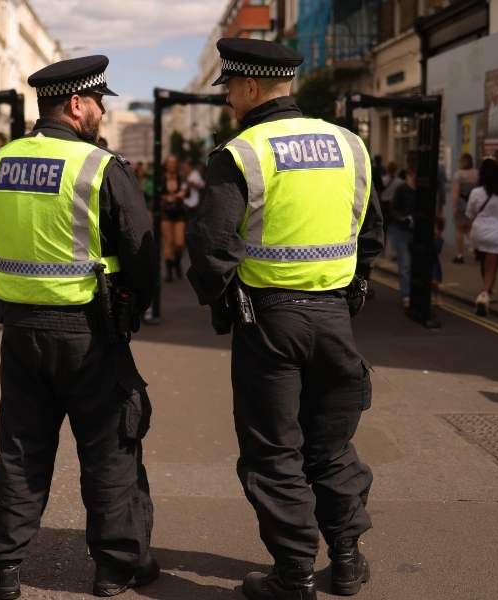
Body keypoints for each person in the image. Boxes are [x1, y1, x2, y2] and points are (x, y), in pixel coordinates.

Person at [186, 38, 382, 600]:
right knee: (332, 446)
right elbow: (370, 235)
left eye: (229, 90)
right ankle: (346, 560)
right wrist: (349, 294)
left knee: (274, 451)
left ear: (250, 88)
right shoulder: (351, 146)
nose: (227, 101)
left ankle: (294, 574)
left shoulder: (242, 152)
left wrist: (224, 307)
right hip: (334, 321)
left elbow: (210, 247)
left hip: (269, 325)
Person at [0, 55, 159, 600]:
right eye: (100, 101)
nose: (102, 112)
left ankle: (2, 564)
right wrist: (129, 312)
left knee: (23, 448)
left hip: (21, 333)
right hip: (92, 335)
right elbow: (141, 260)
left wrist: (20, 295)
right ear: (76, 104)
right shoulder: (100, 168)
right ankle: (117, 567)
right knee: (110, 447)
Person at [467, 156, 498, 316]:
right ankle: (484, 295)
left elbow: (470, 214)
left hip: (479, 233)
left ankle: (488, 290)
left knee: (484, 264)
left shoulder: (475, 192)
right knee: (492, 268)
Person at [389, 161, 416, 308]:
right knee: (405, 265)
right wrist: (401, 218)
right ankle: (406, 296)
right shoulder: (402, 189)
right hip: (402, 231)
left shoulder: (424, 190)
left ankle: (415, 295)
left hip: (417, 232)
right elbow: (393, 209)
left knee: (416, 265)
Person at [160, 154, 187, 282]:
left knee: (179, 243)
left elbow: (187, 190)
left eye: (174, 162)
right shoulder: (161, 178)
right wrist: (169, 198)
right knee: (168, 242)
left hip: (179, 212)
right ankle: (169, 271)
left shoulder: (181, 176)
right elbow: (158, 193)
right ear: (166, 164)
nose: (172, 165)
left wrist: (182, 193)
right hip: (165, 212)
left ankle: (177, 262)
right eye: (169, 162)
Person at [451, 153, 478, 264]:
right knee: (470, 229)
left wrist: (454, 207)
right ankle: (477, 250)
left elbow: (456, 193)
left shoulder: (459, 175)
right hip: (473, 204)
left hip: (462, 204)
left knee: (459, 230)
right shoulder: (477, 174)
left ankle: (459, 255)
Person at [433, 214, 445, 306]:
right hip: (426, 262)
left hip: (433, 263)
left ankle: (437, 295)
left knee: (434, 281)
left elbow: (436, 250)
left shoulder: (439, 240)